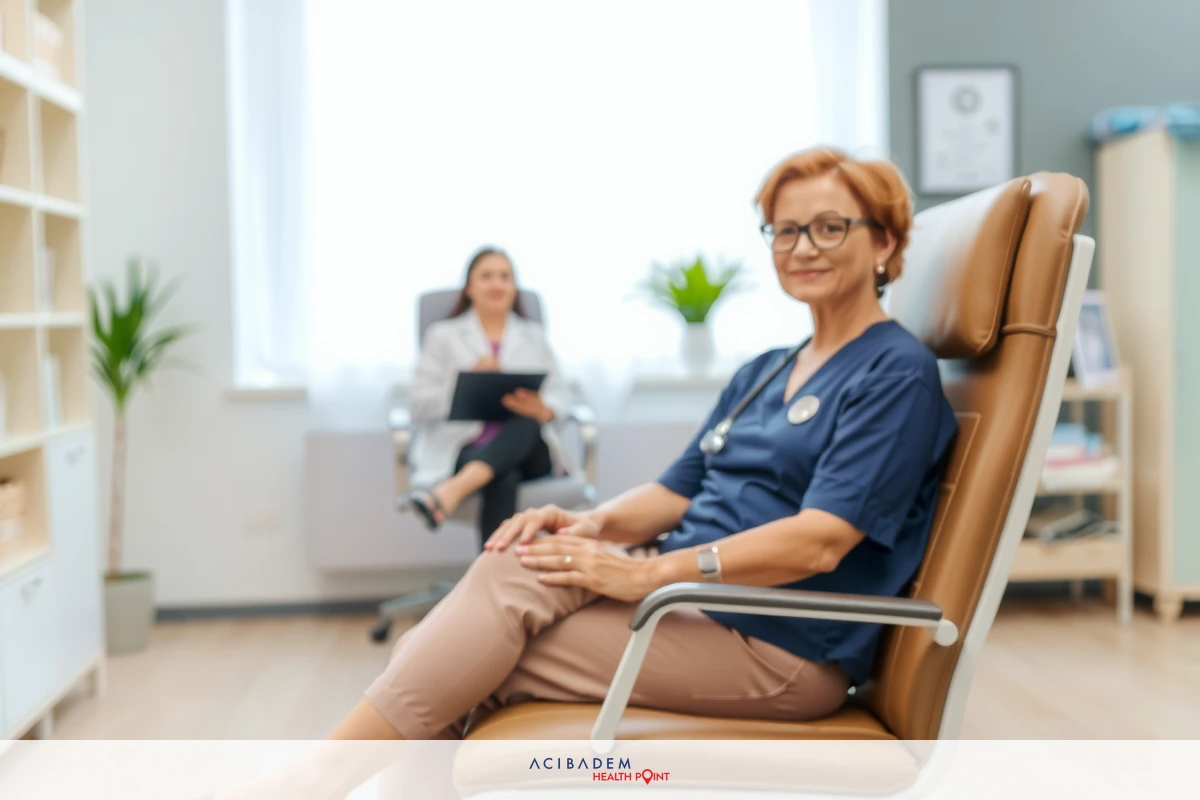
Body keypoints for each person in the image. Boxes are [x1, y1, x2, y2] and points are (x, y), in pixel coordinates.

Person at [315, 146, 959, 746]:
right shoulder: (765, 367)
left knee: (458, 658)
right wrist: (590, 524)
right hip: (694, 602)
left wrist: (649, 572)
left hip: (776, 641)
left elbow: (820, 541)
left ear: (885, 241)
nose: (802, 248)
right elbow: (676, 490)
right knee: (505, 580)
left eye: (828, 227)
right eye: (785, 231)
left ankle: (309, 781)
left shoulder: (895, 372)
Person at [407, 247, 576, 543]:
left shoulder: (533, 336)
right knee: (502, 476)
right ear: (470, 288)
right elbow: (418, 404)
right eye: (486, 276)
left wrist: (543, 409)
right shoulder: (442, 336)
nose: (497, 284)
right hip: (466, 447)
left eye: (505, 277)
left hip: (531, 452)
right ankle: (499, 581)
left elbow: (561, 397)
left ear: (514, 288)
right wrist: (463, 384)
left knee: (526, 422)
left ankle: (453, 490)